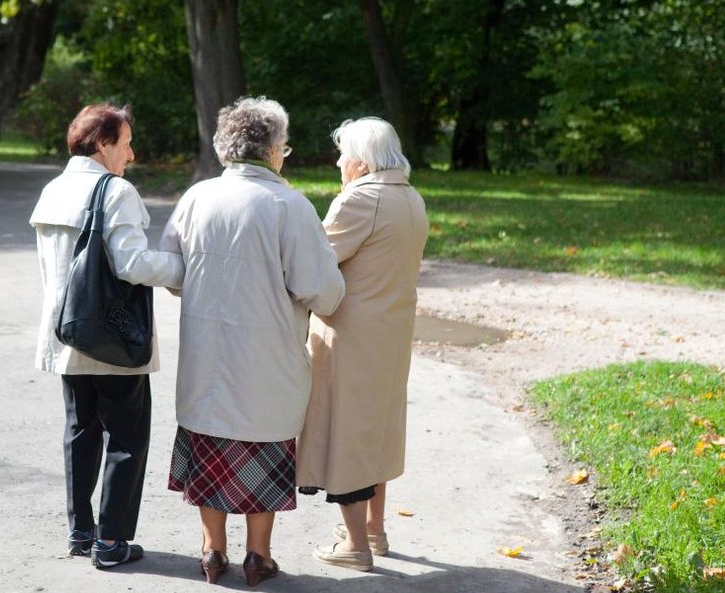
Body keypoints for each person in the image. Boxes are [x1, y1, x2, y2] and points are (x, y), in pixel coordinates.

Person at [160, 97, 345, 585]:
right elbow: (323, 291)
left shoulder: (196, 199)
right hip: (268, 360)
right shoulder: (289, 205)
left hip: (207, 354)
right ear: (273, 150)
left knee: (209, 443)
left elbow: (173, 275)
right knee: (260, 449)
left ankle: (211, 550)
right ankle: (258, 557)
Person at [30, 104, 184, 570]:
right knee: (126, 436)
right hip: (114, 341)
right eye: (126, 142)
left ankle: (81, 533)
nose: (131, 153)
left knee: (80, 432)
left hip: (66, 336)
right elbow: (132, 265)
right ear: (102, 143)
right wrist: (184, 266)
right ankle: (112, 542)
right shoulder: (115, 191)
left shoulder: (52, 190)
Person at [296, 117, 429, 572]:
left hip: (351, 337)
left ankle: (355, 546)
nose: (337, 161)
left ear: (361, 160)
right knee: (378, 433)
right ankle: (374, 529)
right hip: (390, 336)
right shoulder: (411, 197)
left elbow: (315, 261)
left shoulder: (361, 198)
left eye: (341, 153)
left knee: (348, 437)